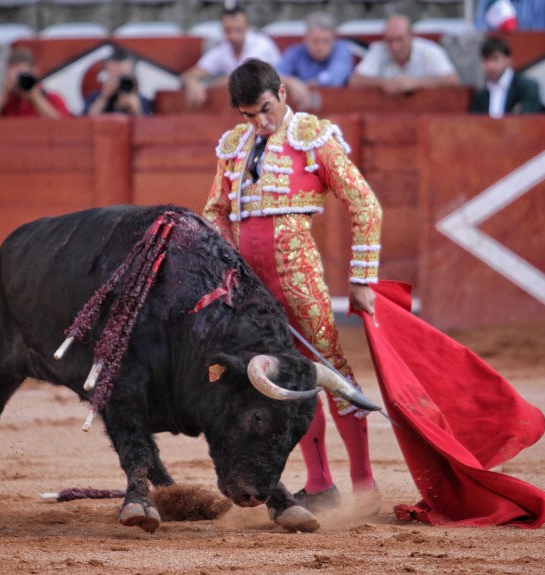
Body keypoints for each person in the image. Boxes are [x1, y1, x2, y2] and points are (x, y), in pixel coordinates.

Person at [203, 58, 383, 513]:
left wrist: (362, 280)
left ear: (282, 93)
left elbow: (366, 206)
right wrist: (225, 267)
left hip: (297, 278)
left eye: (265, 109)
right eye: (248, 116)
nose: (260, 123)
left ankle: (365, 484)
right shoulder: (232, 147)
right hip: (250, 290)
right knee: (278, 381)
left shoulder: (313, 139)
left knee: (332, 374)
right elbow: (215, 211)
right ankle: (320, 483)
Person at [180, 4, 281, 107]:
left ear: (247, 28)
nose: (233, 36)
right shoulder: (223, 49)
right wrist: (192, 83)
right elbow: (188, 75)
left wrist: (204, 86)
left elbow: (243, 79)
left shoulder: (261, 45)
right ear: (222, 30)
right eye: (228, 30)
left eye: (238, 30)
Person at [348, 15, 460, 95]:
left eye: (400, 40)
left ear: (411, 36)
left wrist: (417, 83)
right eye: (389, 41)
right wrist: (383, 83)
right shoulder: (379, 50)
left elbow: (452, 80)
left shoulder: (430, 51)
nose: (395, 46)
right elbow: (355, 80)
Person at [275, 11, 354, 110]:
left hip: (338, 110)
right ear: (306, 39)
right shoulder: (296, 52)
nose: (320, 47)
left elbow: (334, 78)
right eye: (315, 41)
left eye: (325, 41)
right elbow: (273, 75)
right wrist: (291, 82)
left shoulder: (342, 50)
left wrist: (304, 85)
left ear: (334, 39)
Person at [0, 46, 71, 119]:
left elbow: (63, 126)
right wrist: (4, 93)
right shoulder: (8, 103)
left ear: (35, 71)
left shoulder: (52, 98)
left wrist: (35, 98)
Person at [470, 36, 542, 116]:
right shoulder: (481, 96)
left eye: (495, 59)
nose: (490, 65)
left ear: (508, 60)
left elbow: (529, 120)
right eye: (486, 60)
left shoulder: (527, 87)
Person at [84, 47, 153, 116]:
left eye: (123, 75)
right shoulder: (94, 97)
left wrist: (136, 109)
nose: (118, 81)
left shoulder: (143, 101)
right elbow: (84, 122)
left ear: (132, 75)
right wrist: (103, 99)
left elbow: (149, 124)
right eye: (114, 75)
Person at [476, 0, 545, 31]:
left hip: (530, 58)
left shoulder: (540, 2)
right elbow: (480, 31)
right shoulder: (488, 1)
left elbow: (537, 39)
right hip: (497, 54)